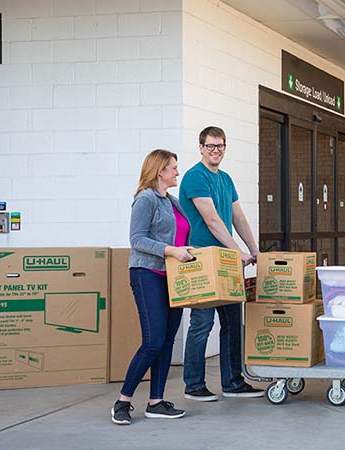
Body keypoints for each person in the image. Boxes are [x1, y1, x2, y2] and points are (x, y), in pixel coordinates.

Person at [179, 126, 263, 401]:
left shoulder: (226, 179)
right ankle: (193, 385)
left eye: (221, 146)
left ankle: (233, 383)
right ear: (201, 147)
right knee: (201, 324)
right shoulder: (194, 177)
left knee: (231, 322)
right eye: (211, 146)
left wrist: (254, 249)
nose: (216, 150)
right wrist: (237, 251)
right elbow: (212, 220)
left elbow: (238, 217)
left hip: (226, 261)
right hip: (202, 259)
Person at [111, 149, 194, 425]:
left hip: (173, 278)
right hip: (147, 274)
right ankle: (122, 402)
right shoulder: (145, 199)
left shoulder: (172, 202)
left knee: (168, 341)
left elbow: (176, 237)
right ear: (160, 171)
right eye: (173, 168)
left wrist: (184, 250)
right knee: (153, 341)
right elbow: (137, 239)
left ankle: (156, 401)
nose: (177, 173)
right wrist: (171, 249)